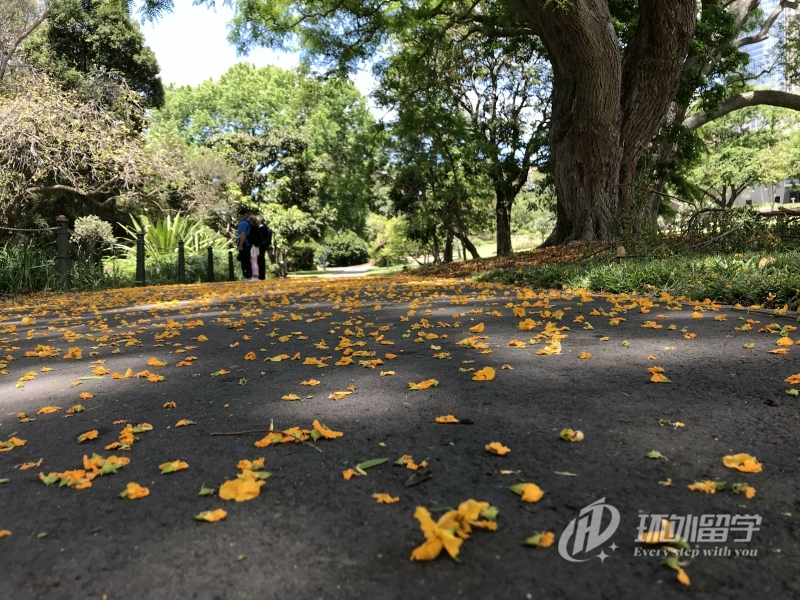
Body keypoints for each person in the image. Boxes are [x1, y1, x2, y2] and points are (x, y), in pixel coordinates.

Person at [254, 216, 273, 280]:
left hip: (261, 247)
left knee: (259, 260)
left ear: (258, 221)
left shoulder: (267, 230)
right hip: (257, 247)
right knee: (257, 260)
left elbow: (268, 240)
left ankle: (260, 275)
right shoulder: (254, 228)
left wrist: (260, 245)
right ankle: (258, 275)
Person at [235, 212, 252, 279]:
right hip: (248, 243)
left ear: (241, 216)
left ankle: (246, 275)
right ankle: (248, 274)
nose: (238, 218)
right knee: (247, 259)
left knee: (244, 259)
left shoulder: (243, 223)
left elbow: (243, 234)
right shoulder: (248, 223)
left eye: (238, 216)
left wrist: (240, 245)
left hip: (244, 243)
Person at [247, 215, 260, 280]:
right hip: (256, 246)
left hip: (253, 246)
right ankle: (255, 274)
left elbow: (250, 237)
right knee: (255, 260)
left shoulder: (252, 228)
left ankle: (254, 274)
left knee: (253, 261)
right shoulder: (257, 228)